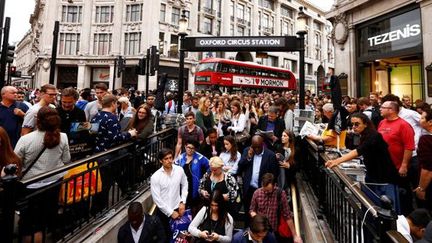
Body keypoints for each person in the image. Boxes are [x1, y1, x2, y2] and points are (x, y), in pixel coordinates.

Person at [14, 107, 71, 243]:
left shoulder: (26, 139)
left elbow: (16, 161)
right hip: (53, 183)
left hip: (30, 185)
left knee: (30, 222)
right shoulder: (63, 137)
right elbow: (66, 159)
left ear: (37, 120)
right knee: (45, 215)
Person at [326, 113, 401, 213]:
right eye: (352, 125)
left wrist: (336, 161)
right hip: (374, 175)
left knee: (385, 208)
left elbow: (358, 151)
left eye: (357, 124)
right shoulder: (365, 135)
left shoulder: (374, 136)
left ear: (365, 124)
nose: (354, 127)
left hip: (384, 178)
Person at [378, 101, 415, 215]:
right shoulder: (382, 122)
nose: (380, 109)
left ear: (391, 110)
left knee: (402, 195)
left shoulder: (403, 125)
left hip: (397, 167)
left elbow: (409, 147)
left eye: (383, 107)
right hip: (384, 166)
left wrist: (404, 165)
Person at [237, 135, 279, 223]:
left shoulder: (270, 155)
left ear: (262, 144)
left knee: (260, 216)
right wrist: (248, 157)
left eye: (258, 147)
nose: (256, 149)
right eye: (254, 147)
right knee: (248, 214)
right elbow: (240, 167)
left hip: (262, 191)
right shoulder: (247, 150)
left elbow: (275, 174)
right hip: (249, 189)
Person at [249, 173, 302, 243]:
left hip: (273, 232)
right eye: (264, 190)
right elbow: (251, 210)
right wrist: (256, 217)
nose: (266, 192)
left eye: (268, 190)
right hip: (259, 231)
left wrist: (295, 236)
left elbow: (287, 215)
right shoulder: (257, 193)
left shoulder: (280, 194)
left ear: (275, 185)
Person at [151, 148, 188, 240]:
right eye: (166, 159)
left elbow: (185, 185)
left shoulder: (179, 170)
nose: (169, 161)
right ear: (161, 161)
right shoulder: (155, 177)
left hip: (178, 208)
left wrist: (183, 201)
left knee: (180, 238)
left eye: (170, 158)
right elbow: (156, 199)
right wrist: (170, 213)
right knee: (165, 238)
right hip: (163, 213)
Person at [175, 139, 210, 215]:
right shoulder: (180, 158)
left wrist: (205, 177)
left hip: (194, 185)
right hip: (183, 186)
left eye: (192, 148)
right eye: (188, 147)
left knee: (194, 207)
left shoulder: (200, 158)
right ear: (185, 146)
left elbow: (210, 166)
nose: (190, 150)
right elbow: (174, 167)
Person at [415, 108, 432, 210]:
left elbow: (428, 168)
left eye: (422, 118)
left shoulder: (426, 140)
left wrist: (421, 188)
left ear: (430, 122)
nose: (419, 120)